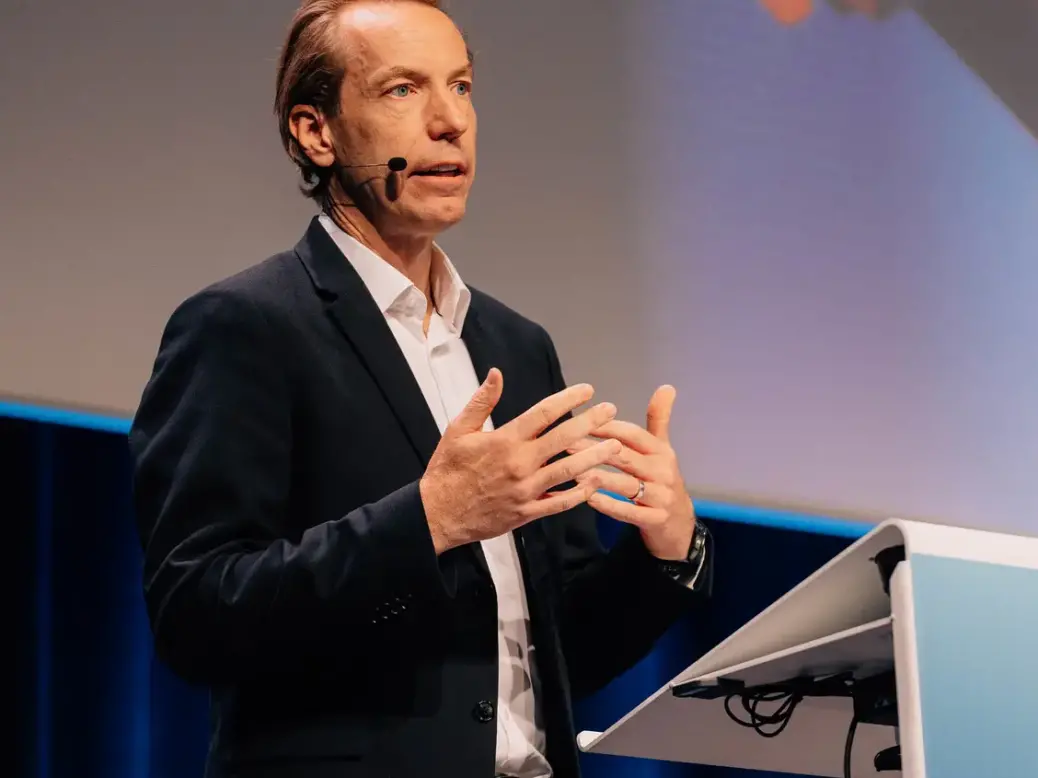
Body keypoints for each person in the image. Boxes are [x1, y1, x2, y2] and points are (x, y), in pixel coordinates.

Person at [129, 1, 713, 777]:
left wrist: (662, 549)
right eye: (403, 89)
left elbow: (564, 653)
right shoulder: (243, 327)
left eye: (462, 87)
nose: (451, 122)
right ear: (316, 131)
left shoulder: (517, 347)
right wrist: (430, 520)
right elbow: (196, 614)